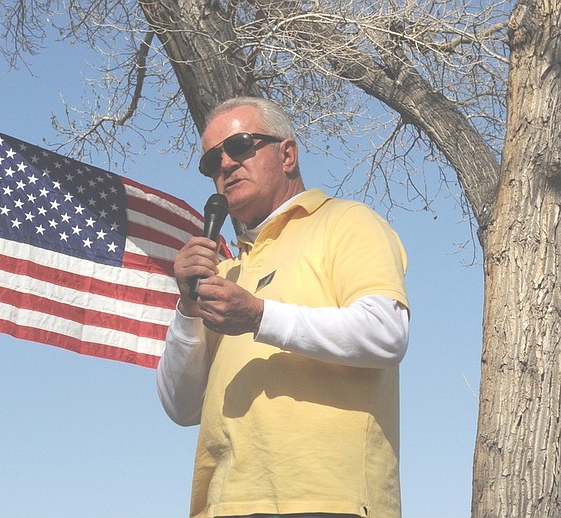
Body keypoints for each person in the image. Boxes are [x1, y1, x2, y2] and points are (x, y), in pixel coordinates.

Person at [156, 96, 410, 518]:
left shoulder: (345, 221)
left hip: (327, 501)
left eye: (239, 146)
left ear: (287, 154)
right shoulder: (226, 274)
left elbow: (387, 333)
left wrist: (259, 316)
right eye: (210, 161)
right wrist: (187, 306)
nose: (225, 165)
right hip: (222, 506)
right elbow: (180, 407)